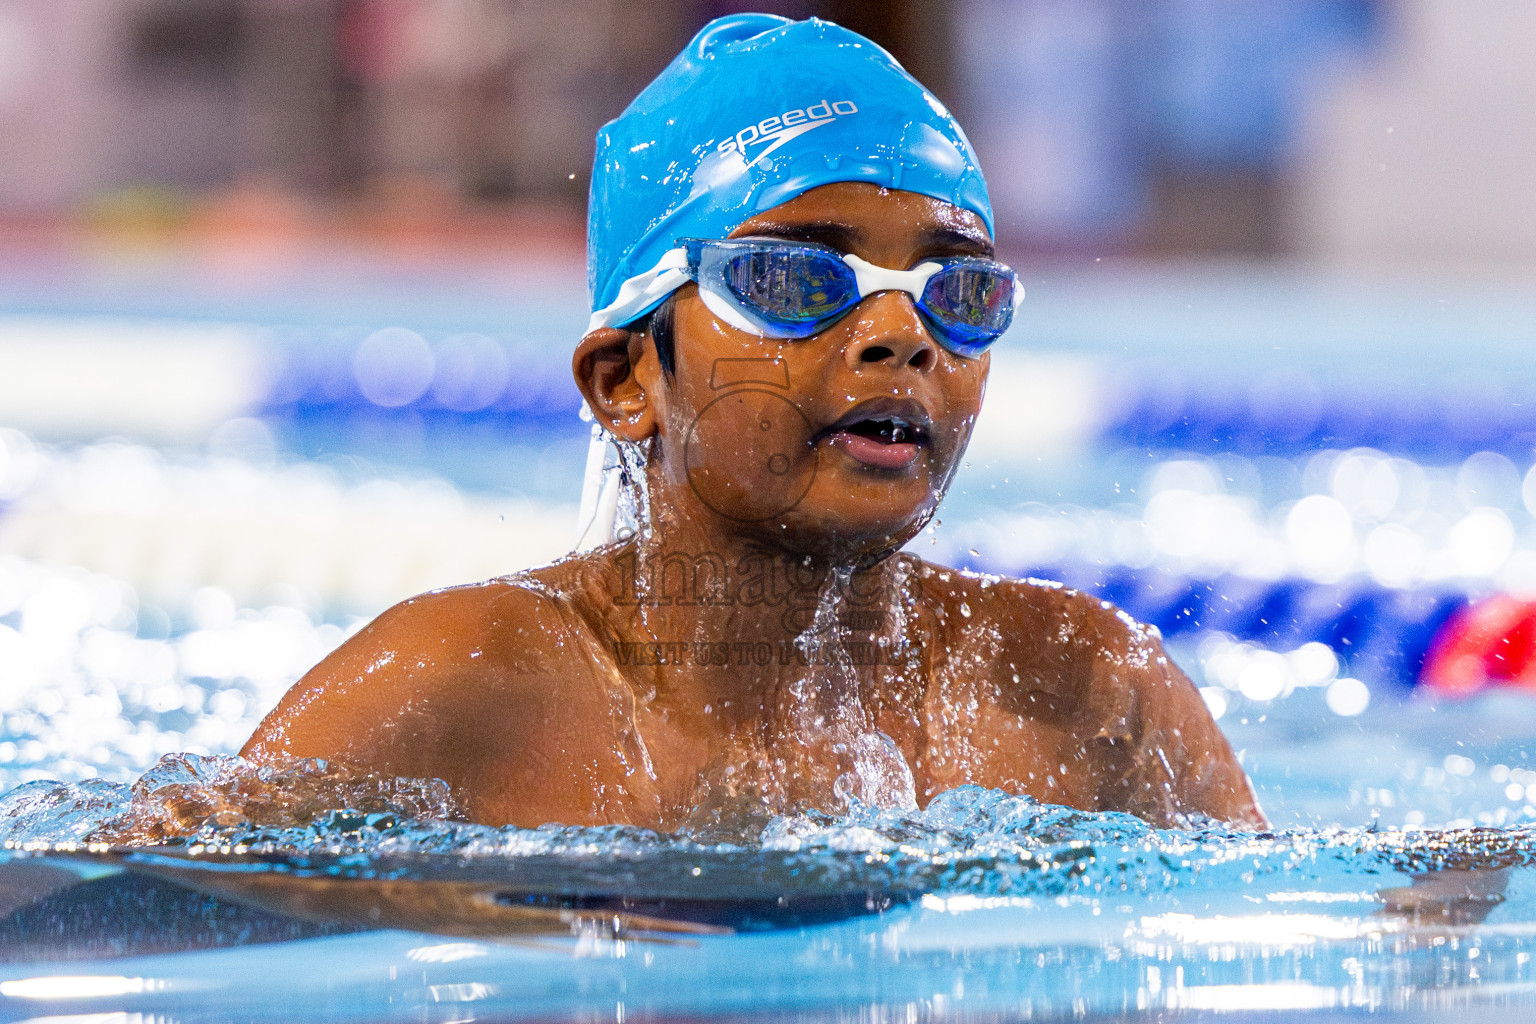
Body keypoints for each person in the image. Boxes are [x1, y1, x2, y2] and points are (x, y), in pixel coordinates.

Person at [242, 14, 1265, 832]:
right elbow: (131, 901)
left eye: (956, 291)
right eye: (794, 278)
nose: (900, 335)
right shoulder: (455, 688)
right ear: (625, 377)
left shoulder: (1089, 692)